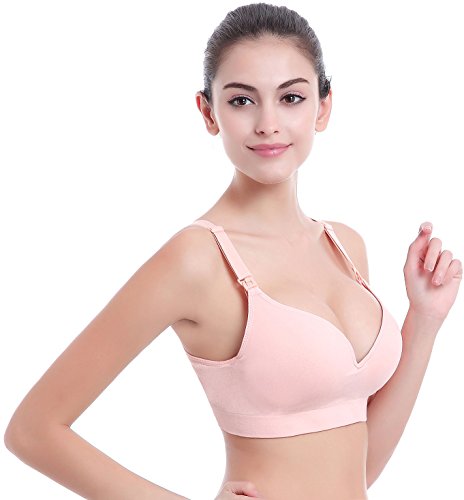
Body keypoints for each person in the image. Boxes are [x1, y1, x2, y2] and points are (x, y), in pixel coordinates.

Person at [4, 3, 462, 500]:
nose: (268, 123)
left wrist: (425, 319)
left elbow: (361, 469)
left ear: (323, 107)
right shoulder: (197, 259)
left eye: (291, 97)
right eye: (242, 101)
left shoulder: (345, 246)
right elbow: (33, 430)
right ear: (209, 113)